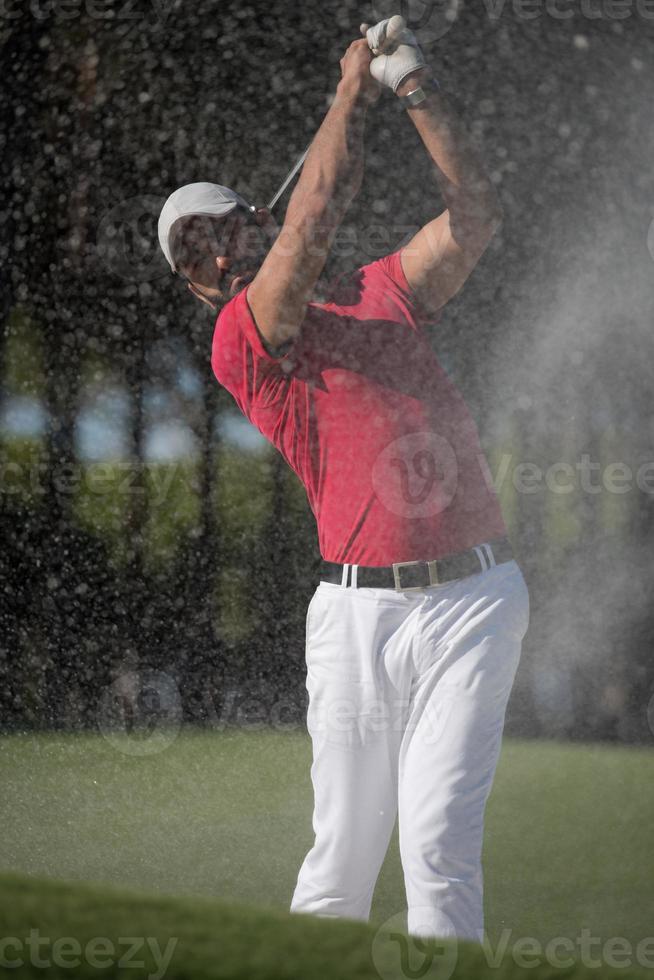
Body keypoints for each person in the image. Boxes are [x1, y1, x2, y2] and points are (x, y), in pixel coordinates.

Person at [157, 18, 529, 943]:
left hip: (477, 600)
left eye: (214, 229)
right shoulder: (241, 339)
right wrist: (346, 89)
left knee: (440, 843)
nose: (210, 254)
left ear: (251, 219)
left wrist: (413, 87)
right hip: (358, 618)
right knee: (342, 862)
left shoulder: (380, 290)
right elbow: (318, 209)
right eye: (191, 254)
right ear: (199, 284)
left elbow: (477, 214)